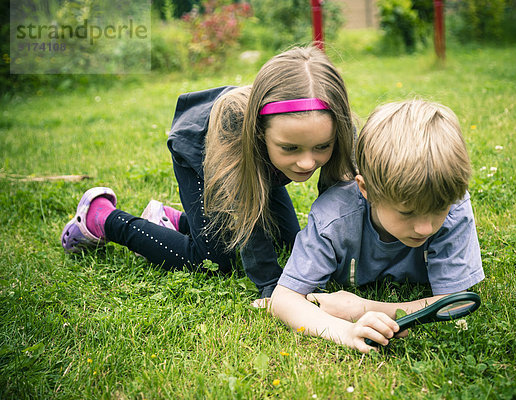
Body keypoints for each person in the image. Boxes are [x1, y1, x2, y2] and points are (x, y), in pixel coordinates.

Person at [61, 46, 357, 299]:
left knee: (289, 242)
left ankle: (176, 220)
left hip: (262, 165)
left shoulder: (336, 125)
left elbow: (341, 202)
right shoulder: (236, 130)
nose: (307, 163)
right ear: (261, 130)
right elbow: (247, 218)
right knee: (212, 259)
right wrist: (272, 288)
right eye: (290, 148)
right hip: (202, 154)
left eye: (321, 146)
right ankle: (102, 217)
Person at [269, 100, 485, 353]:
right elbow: (283, 299)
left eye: (439, 209)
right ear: (366, 189)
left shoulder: (454, 204)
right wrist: (345, 331)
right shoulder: (333, 218)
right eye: (407, 212)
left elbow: (456, 303)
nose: (426, 228)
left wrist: (362, 308)